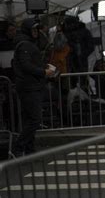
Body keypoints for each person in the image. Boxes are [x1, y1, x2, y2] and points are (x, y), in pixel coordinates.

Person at [11, 18, 55, 157]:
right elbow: (26, 66)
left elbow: (30, 63)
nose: (36, 32)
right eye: (34, 29)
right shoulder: (25, 44)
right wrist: (43, 72)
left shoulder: (27, 43)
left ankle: (29, 149)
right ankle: (18, 147)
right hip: (29, 87)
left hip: (30, 85)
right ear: (28, 30)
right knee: (35, 119)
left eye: (37, 29)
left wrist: (44, 68)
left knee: (29, 119)